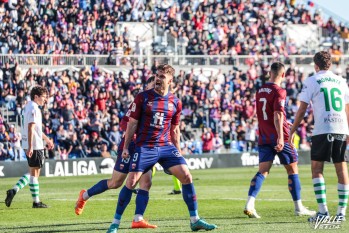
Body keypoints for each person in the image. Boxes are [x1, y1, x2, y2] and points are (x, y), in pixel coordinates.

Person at [106, 64, 217, 233]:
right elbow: (132, 123)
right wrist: (127, 146)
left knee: (186, 175)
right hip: (145, 146)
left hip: (165, 146)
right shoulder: (143, 98)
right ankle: (115, 223)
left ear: (170, 81)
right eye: (157, 76)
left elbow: (175, 129)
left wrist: (178, 151)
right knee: (131, 181)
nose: (158, 79)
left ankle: (195, 220)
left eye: (162, 77)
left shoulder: (175, 102)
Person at [75, 76, 157, 229]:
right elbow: (124, 123)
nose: (156, 88)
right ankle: (84, 195)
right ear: (147, 87)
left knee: (146, 182)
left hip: (145, 147)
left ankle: (138, 218)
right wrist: (132, 138)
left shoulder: (160, 103)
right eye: (153, 85)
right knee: (115, 183)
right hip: (131, 145)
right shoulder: (139, 101)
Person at [244, 62, 315, 218]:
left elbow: (267, 114)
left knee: (263, 171)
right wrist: (282, 137)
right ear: (283, 75)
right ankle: (299, 208)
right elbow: (277, 115)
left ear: (270, 73)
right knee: (292, 169)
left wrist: (283, 122)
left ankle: (250, 204)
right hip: (278, 135)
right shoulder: (279, 91)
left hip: (263, 135)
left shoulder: (260, 90)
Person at [289, 51, 349, 221]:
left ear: (315, 65)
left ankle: (323, 212)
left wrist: (292, 130)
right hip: (341, 127)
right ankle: (341, 213)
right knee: (341, 168)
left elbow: (302, 110)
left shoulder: (312, 80)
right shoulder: (341, 81)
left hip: (323, 128)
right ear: (330, 64)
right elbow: (348, 108)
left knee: (317, 168)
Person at [5, 86, 54, 208]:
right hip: (35, 145)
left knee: (32, 172)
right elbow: (31, 127)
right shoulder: (34, 108)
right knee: (35, 173)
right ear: (36, 96)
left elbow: (36, 128)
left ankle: (14, 190)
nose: (45, 100)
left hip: (29, 143)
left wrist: (47, 139)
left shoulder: (27, 107)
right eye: (43, 97)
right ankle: (36, 202)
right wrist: (32, 146)